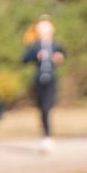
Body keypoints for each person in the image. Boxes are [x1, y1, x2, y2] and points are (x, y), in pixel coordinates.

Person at [20, 15, 65, 152]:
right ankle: (45, 134)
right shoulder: (34, 45)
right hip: (39, 79)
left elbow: (63, 54)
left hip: (51, 79)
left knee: (47, 107)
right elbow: (24, 58)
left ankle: (48, 136)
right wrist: (36, 56)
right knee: (41, 109)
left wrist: (59, 57)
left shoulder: (56, 44)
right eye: (41, 27)